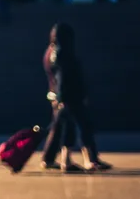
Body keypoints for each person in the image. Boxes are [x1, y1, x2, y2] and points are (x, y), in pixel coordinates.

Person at [39, 23, 111, 172]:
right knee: (83, 126)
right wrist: (65, 98)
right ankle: (89, 160)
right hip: (70, 96)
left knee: (62, 128)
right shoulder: (62, 52)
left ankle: (52, 159)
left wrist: (57, 97)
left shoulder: (50, 52)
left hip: (59, 96)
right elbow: (64, 77)